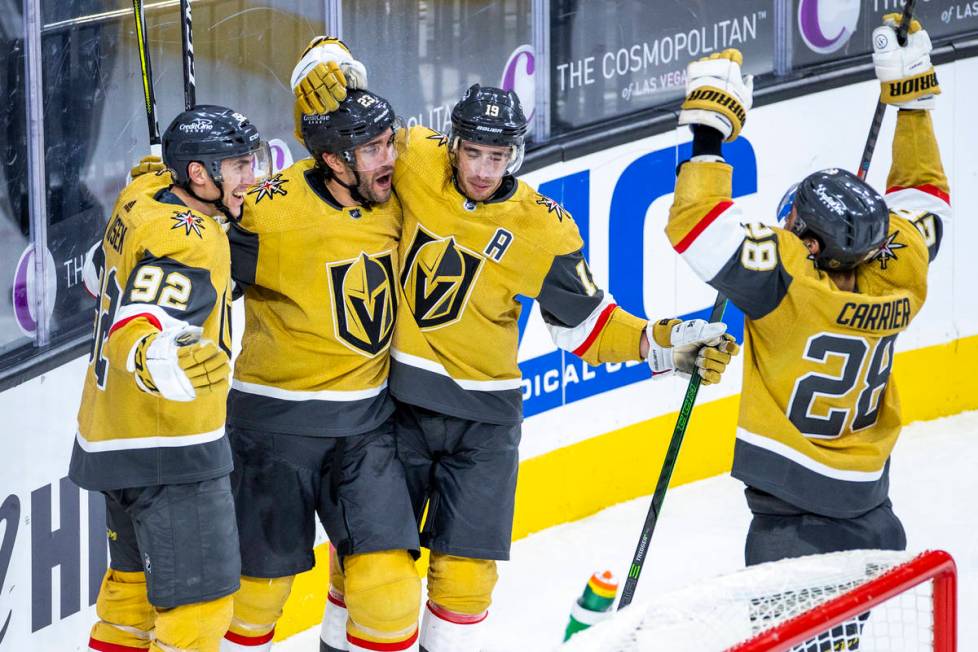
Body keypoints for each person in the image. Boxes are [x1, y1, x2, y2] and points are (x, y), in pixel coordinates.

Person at [294, 51, 741, 649]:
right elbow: (346, 139)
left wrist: (663, 344)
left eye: (497, 157)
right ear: (453, 145)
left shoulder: (543, 229)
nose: (483, 169)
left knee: (465, 583)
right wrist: (325, 66)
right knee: (373, 574)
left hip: (485, 428)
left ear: (516, 156)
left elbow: (587, 326)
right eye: (473, 153)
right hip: (397, 410)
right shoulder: (414, 161)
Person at [665, 18, 948, 575]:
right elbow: (924, 202)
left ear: (812, 244)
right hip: (873, 511)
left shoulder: (789, 284)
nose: (787, 223)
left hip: (793, 526)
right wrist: (912, 97)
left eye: (795, 221)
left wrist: (710, 126)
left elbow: (697, 223)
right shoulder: (901, 272)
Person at [219, 89, 422, 652]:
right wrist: (168, 199)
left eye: (389, 142)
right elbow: (185, 269)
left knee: (390, 595)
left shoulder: (402, 197)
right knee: (252, 600)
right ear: (333, 160)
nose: (389, 159)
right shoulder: (267, 211)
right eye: (373, 149)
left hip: (365, 429)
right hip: (271, 433)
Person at [70, 105, 271, 652]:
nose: (251, 178)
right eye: (239, 166)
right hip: (171, 443)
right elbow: (143, 322)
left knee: (131, 603)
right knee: (198, 614)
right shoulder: (194, 240)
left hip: (112, 433)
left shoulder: (139, 197)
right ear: (200, 175)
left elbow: (97, 277)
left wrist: (163, 167)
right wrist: (158, 356)